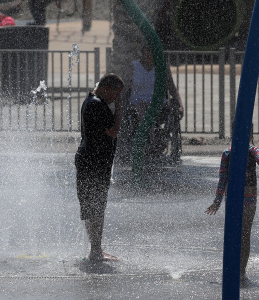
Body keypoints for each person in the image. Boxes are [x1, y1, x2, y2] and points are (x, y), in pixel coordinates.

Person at [205, 126, 259, 282]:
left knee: (245, 235)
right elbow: (222, 179)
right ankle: (231, 269)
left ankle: (242, 271)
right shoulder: (227, 153)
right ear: (233, 132)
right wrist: (217, 201)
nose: (245, 134)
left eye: (248, 131)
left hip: (249, 199)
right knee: (232, 235)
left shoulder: (253, 151)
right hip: (231, 199)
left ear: (251, 133)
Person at [75, 73, 124, 261]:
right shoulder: (97, 104)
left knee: (94, 206)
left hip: (92, 162)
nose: (116, 99)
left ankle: (96, 249)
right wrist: (119, 108)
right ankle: (95, 251)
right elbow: (113, 131)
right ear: (106, 89)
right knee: (93, 206)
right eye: (116, 94)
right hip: (92, 163)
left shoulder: (93, 101)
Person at [115, 45, 184, 164]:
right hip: (137, 103)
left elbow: (172, 88)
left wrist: (180, 104)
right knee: (142, 107)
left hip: (157, 103)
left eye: (152, 51)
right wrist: (118, 105)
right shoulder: (133, 67)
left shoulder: (161, 67)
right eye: (147, 50)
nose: (150, 54)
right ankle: (150, 140)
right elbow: (124, 89)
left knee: (153, 107)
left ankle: (152, 140)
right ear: (142, 52)